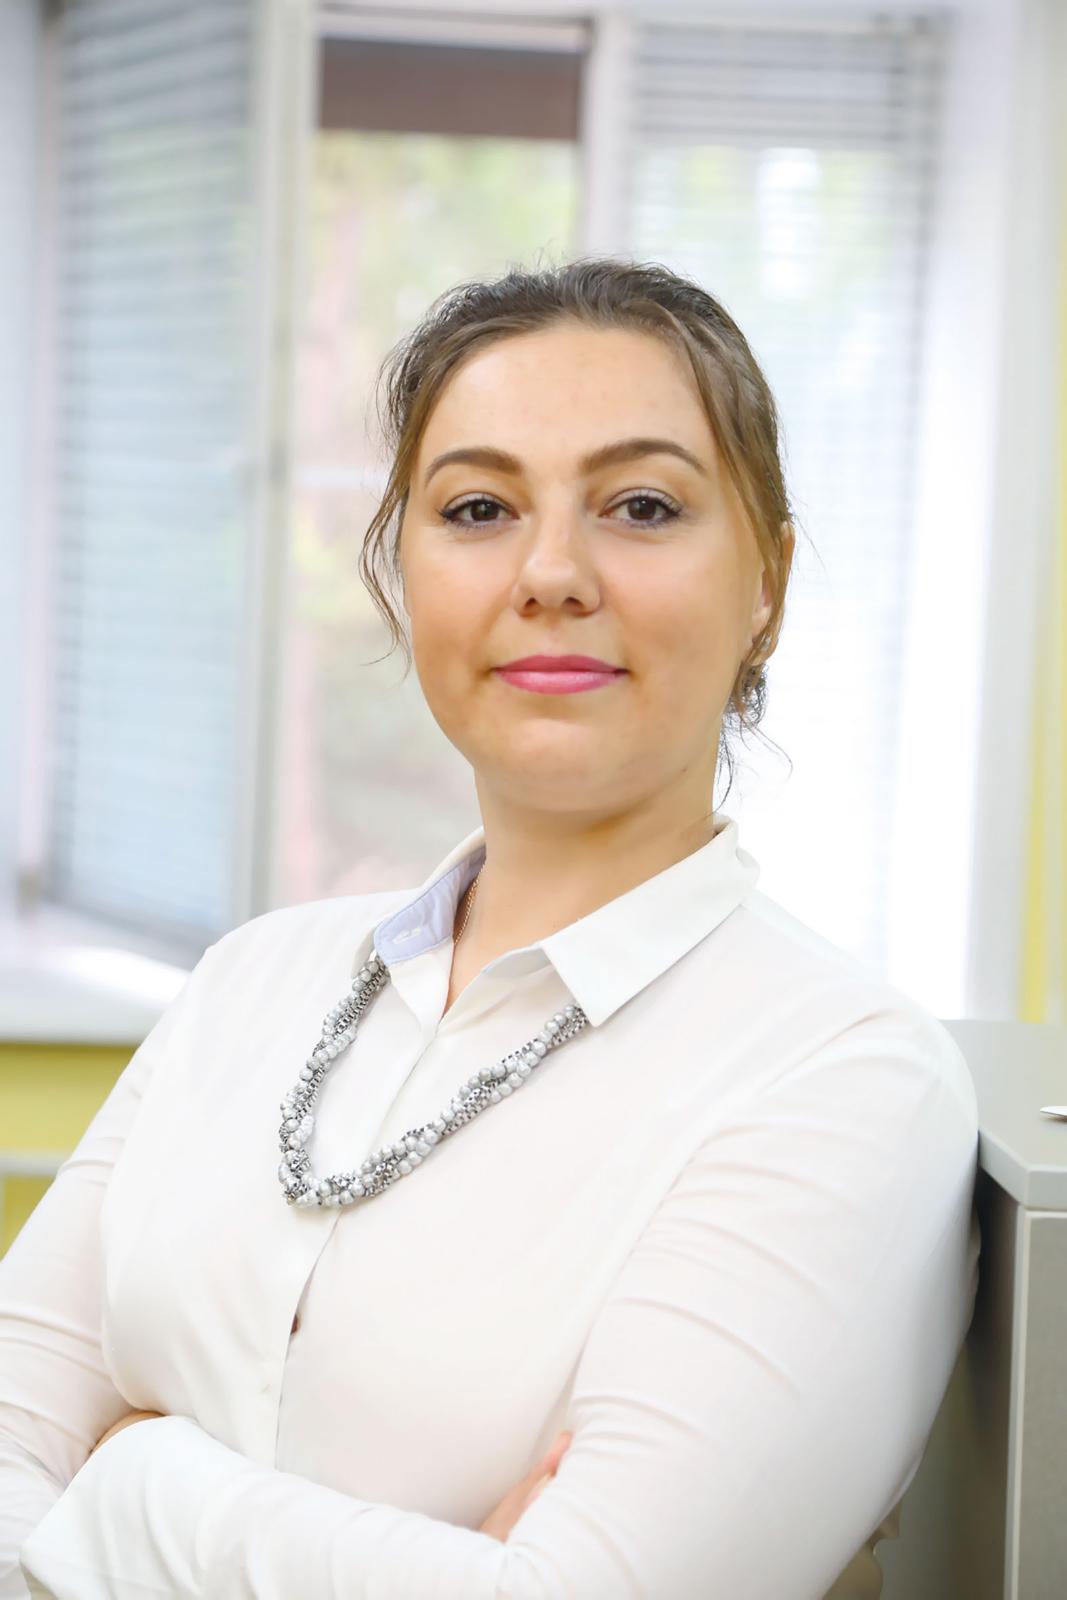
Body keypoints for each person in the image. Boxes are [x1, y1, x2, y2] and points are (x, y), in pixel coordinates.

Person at [1, 257, 979, 1598]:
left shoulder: (844, 1079)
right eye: (477, 508)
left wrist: (128, 1476)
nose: (553, 573)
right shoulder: (248, 982)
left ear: (769, 581)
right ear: (401, 571)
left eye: (643, 507)